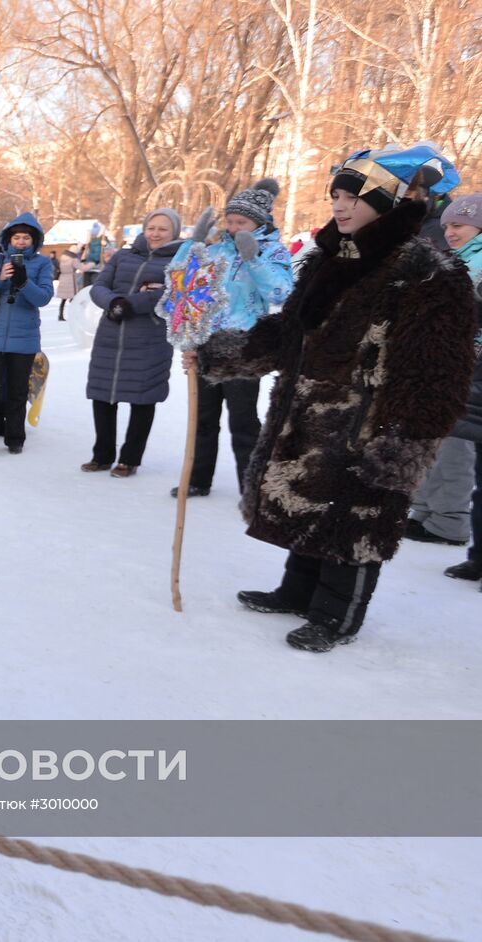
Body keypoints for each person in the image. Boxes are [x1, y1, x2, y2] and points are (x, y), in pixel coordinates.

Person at [191, 143, 475, 652]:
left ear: (386, 201)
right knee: (305, 499)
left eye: (353, 197)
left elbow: (437, 372)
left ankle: (336, 616)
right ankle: (296, 591)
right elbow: (289, 331)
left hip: (373, 421)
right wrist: (217, 354)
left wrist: (401, 446)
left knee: (354, 518)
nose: (340, 206)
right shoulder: (330, 258)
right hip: (306, 411)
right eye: (336, 196)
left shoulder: (428, 272)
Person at [170, 179, 294, 499]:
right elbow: (179, 278)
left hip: (244, 345)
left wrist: (254, 260)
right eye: (231, 220)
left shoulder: (274, 251)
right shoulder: (217, 247)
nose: (234, 227)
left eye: (242, 222)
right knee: (202, 418)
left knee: (243, 421)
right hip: (206, 340)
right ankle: (197, 479)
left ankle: (250, 486)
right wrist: (192, 243)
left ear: (260, 222)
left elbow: (281, 292)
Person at [83, 208, 184, 477]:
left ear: (174, 232)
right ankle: (102, 455)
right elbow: (99, 286)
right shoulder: (123, 255)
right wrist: (114, 302)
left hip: (149, 339)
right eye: (152, 227)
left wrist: (131, 302)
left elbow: (171, 295)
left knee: (143, 399)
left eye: (163, 229)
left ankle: (130, 458)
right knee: (103, 395)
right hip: (111, 335)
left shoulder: (181, 262)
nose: (156, 233)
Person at [0, 213, 55, 457]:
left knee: (17, 391)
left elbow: (44, 298)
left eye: (26, 237)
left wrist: (24, 282)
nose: (21, 242)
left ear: (34, 240)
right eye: (17, 237)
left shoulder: (43, 264)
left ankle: (15, 437)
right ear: (9, 239)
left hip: (24, 340)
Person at [427, 194, 482, 569]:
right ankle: (433, 516)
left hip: (472, 365)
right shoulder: (456, 258)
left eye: (458, 225)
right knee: (441, 438)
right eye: (446, 225)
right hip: (448, 361)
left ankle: (449, 521)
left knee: (460, 445)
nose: (449, 231)